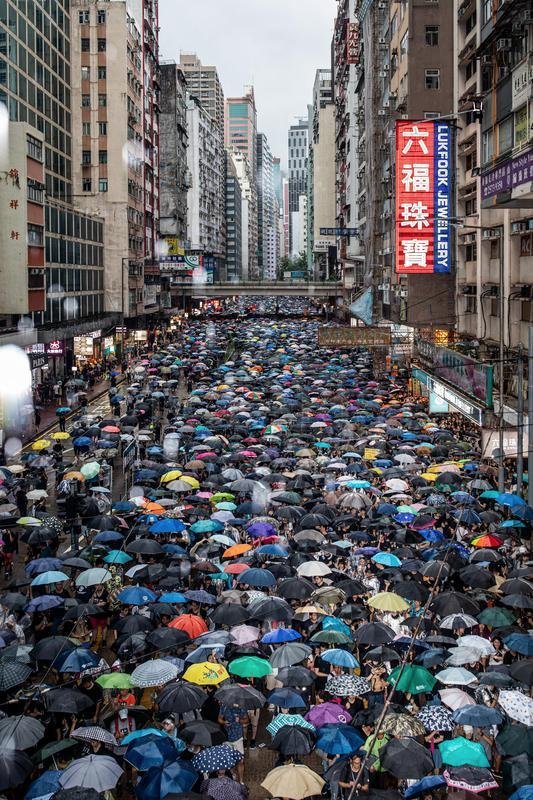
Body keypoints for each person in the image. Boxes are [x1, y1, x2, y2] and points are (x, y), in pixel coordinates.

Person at [218, 704, 248, 783]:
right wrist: (224, 722)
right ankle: (232, 774)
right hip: (226, 737)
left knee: (240, 760)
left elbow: (246, 720)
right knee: (228, 760)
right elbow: (219, 719)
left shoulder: (241, 707)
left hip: (238, 738)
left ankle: (241, 781)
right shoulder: (224, 707)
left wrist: (240, 720)